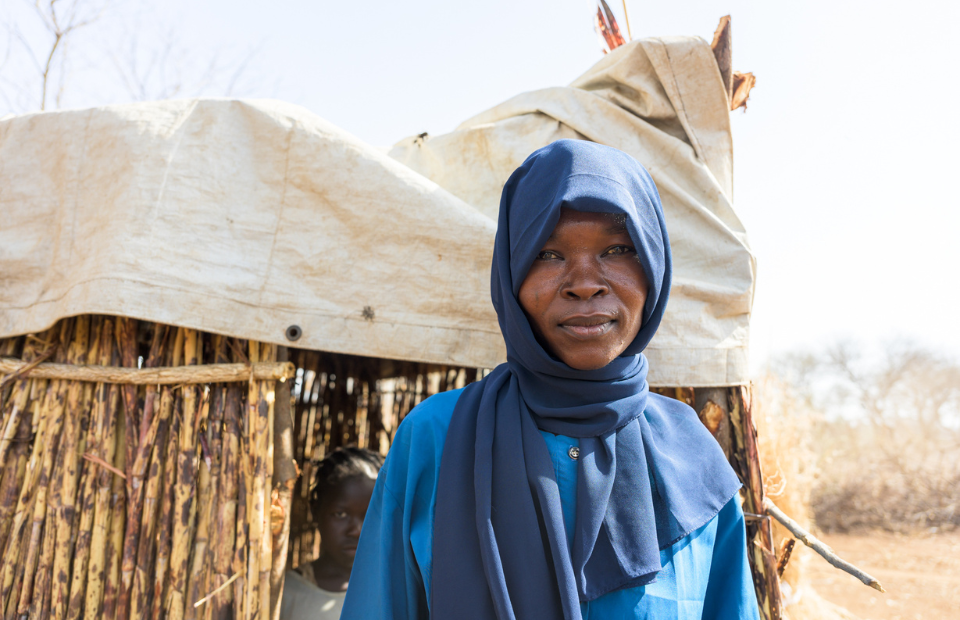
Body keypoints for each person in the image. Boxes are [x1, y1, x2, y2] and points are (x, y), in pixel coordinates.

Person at [341, 140, 761, 619]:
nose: (584, 282)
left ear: (654, 266)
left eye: (618, 249)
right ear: (510, 274)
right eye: (548, 253)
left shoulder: (690, 454)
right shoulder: (436, 438)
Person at [281, 447, 384, 620]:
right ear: (316, 512)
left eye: (370, 515)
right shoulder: (286, 594)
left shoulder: (400, 591)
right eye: (340, 514)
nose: (356, 530)